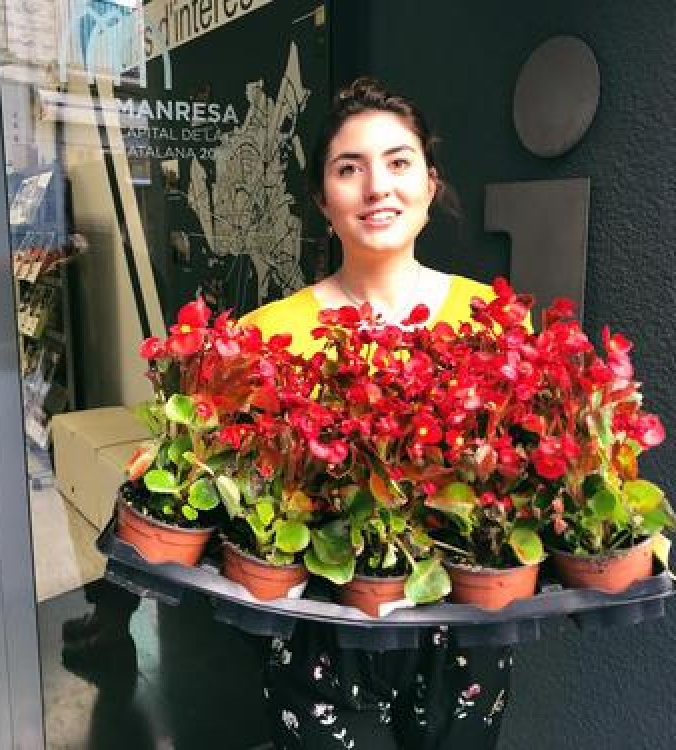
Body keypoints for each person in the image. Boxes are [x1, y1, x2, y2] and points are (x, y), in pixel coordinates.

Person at [241, 78, 512, 749]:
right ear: (320, 197)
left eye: (398, 162)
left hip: (461, 622)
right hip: (318, 624)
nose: (376, 187)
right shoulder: (265, 333)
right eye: (348, 168)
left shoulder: (496, 320)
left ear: (429, 182)